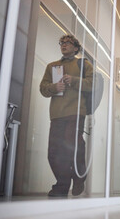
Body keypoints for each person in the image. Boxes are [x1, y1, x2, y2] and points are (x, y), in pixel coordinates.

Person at [40, 35, 93, 197]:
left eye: (67, 43)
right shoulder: (52, 66)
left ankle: (79, 176)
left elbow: (92, 85)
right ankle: (62, 185)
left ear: (76, 48)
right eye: (61, 43)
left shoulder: (83, 64)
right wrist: (54, 87)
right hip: (56, 114)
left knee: (73, 145)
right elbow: (43, 88)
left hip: (75, 112)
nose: (63, 45)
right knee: (54, 152)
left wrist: (75, 80)